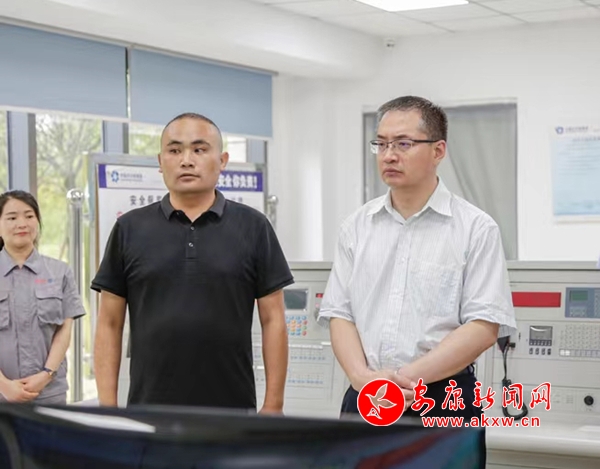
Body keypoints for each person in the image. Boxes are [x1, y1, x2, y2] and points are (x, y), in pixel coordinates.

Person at [318, 95, 517, 426]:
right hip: (366, 394)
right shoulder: (356, 226)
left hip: (442, 398)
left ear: (438, 151)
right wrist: (361, 377)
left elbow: (483, 325)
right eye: (381, 144)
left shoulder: (475, 228)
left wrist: (402, 381)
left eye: (403, 144)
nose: (389, 155)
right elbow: (339, 313)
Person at [91, 112, 293, 413]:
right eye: (174, 150)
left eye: (199, 149)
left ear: (222, 160)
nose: (186, 160)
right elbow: (109, 323)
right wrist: (107, 408)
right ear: (160, 162)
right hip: (149, 411)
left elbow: (273, 319)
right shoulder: (129, 229)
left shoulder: (254, 227)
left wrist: (273, 405)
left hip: (233, 412)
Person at [0, 190, 86, 405]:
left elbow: (64, 330)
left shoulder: (60, 272)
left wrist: (46, 375)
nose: (22, 224)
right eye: (12, 218)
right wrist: (4, 385)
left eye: (29, 216)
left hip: (49, 393)